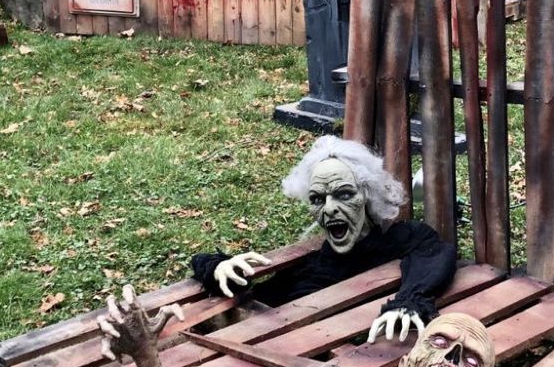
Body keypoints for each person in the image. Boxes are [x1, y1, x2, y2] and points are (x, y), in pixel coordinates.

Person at [192, 135, 458, 343]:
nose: (329, 208)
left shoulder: (400, 240)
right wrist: (218, 266)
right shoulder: (311, 270)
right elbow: (259, 300)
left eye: (343, 194)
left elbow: (433, 251)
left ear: (366, 195)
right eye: (318, 199)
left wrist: (409, 301)